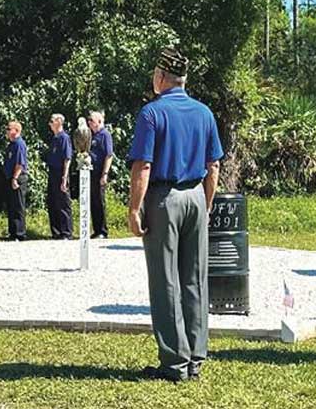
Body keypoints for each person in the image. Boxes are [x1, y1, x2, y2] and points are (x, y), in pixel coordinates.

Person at [127, 47, 223, 382]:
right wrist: (206, 204)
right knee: (195, 278)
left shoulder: (151, 114)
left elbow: (144, 165)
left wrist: (134, 208)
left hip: (164, 197)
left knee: (165, 280)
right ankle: (196, 355)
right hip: (196, 194)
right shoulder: (204, 113)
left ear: (161, 77)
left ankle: (174, 362)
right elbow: (214, 165)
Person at [45, 113, 74, 239]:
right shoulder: (55, 138)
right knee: (52, 202)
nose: (50, 124)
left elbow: (67, 158)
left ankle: (66, 232)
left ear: (58, 122)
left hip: (61, 172)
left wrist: (64, 177)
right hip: (52, 172)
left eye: (52, 121)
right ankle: (56, 231)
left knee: (63, 203)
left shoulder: (64, 138)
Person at [87, 110, 114, 239]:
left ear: (99, 121)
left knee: (100, 201)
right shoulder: (91, 135)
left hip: (100, 172)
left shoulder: (105, 135)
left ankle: (103, 230)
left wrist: (105, 174)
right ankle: (96, 229)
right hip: (91, 171)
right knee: (93, 201)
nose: (89, 123)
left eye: (91, 120)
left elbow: (108, 155)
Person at [3, 121, 29, 241]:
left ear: (16, 131)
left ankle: (20, 233)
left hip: (18, 177)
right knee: (11, 205)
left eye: (9, 129)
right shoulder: (11, 144)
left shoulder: (19, 144)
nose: (7, 131)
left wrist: (15, 178)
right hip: (10, 177)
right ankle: (12, 232)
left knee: (18, 205)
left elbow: (20, 163)